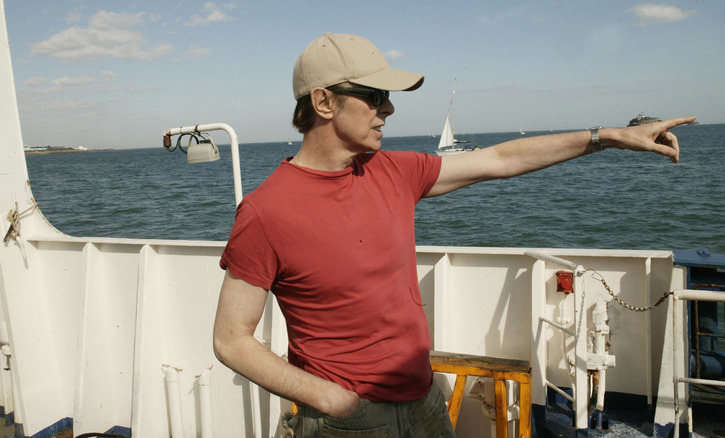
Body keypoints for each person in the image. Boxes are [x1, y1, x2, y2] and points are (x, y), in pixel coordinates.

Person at [213, 32, 696, 437]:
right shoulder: (266, 211)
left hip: (423, 400)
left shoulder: (392, 172)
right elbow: (232, 340)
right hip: (342, 420)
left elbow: (500, 159)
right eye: (375, 96)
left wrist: (607, 137)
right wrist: (332, 400)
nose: (388, 110)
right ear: (323, 101)